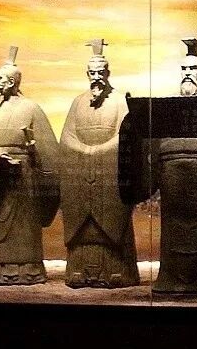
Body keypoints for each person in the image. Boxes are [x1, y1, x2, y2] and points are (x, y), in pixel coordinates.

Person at [119, 38, 197, 294]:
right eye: (184, 69)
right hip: (173, 189)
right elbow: (153, 144)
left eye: (192, 69)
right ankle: (172, 280)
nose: (188, 74)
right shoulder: (168, 107)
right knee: (174, 239)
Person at [0, 46, 60, 285]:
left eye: (0, 79)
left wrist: (32, 150)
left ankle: (27, 269)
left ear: (12, 82)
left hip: (25, 178)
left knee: (24, 225)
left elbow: (49, 151)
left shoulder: (31, 109)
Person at [59, 39, 138, 288]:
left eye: (100, 72)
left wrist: (99, 151)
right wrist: (84, 152)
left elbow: (126, 136)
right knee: (82, 227)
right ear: (87, 74)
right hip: (81, 173)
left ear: (108, 73)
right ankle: (78, 269)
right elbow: (66, 137)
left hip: (108, 176)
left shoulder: (121, 101)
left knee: (113, 225)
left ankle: (117, 270)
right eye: (92, 73)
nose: (96, 78)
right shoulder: (77, 102)